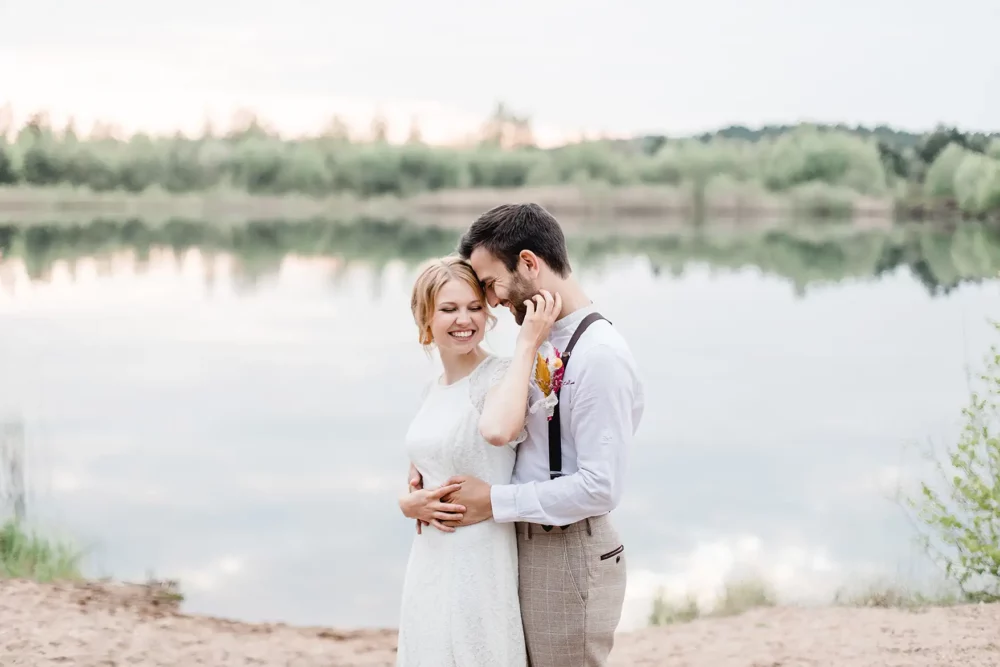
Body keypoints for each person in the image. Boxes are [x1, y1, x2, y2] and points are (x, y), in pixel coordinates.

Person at [404, 203, 645, 667]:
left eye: (490, 286)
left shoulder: (600, 357)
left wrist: (492, 501)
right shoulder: (540, 338)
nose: (490, 302)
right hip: (517, 545)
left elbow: (601, 487)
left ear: (529, 264)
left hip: (568, 550)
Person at [395, 255, 561, 667]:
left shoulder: (504, 374)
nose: (464, 320)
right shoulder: (429, 390)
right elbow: (427, 466)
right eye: (449, 309)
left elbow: (499, 430)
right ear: (425, 319)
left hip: (480, 556)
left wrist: (527, 346)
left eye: (474, 307)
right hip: (429, 559)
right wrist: (406, 502)